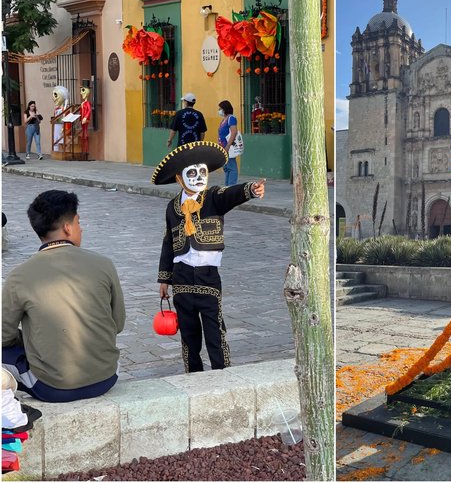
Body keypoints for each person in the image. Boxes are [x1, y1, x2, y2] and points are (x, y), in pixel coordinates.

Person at [151, 141, 265, 373]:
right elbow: (168, 243)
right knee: (189, 332)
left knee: (215, 329)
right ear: (179, 178)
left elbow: (231, 194)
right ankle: (193, 374)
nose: (198, 177)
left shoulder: (213, 197)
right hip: (181, 277)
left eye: (202, 172)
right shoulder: (172, 207)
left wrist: (250, 190)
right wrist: (164, 279)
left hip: (207, 276)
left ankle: (222, 373)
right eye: (191, 173)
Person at [2, 190, 126, 402]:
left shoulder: (19, 276)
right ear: (68, 228)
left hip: (53, 388)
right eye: (79, 222)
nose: (81, 228)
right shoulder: (104, 264)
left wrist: (30, 340)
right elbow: (118, 323)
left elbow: (3, 335)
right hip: (106, 377)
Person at [217, 100, 239, 185]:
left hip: (228, 147)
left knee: (232, 168)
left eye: (220, 108)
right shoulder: (223, 120)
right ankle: (227, 187)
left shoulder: (231, 118)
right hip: (222, 147)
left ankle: (231, 186)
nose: (219, 110)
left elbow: (234, 132)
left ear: (225, 109)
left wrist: (228, 146)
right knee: (226, 168)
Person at [80, 82, 92, 155]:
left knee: (85, 133)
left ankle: (86, 150)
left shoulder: (87, 103)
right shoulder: (83, 103)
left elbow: (89, 110)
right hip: (82, 120)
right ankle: (83, 149)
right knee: (83, 134)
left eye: (83, 90)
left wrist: (85, 117)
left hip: (85, 120)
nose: (81, 93)